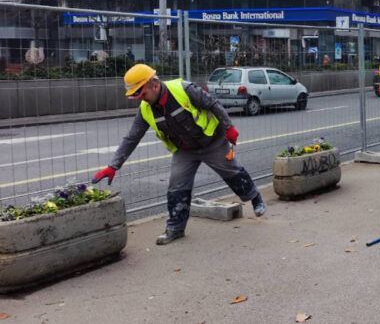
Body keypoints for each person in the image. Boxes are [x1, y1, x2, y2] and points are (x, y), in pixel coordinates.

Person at [92, 64, 266, 245]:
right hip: (185, 151)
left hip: (212, 142)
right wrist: (113, 166)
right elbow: (131, 138)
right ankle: (175, 228)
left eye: (142, 94)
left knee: (232, 171)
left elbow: (212, 103)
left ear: (155, 85)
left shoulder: (183, 89)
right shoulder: (145, 110)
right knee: (177, 185)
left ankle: (255, 199)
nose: (141, 100)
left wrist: (229, 127)